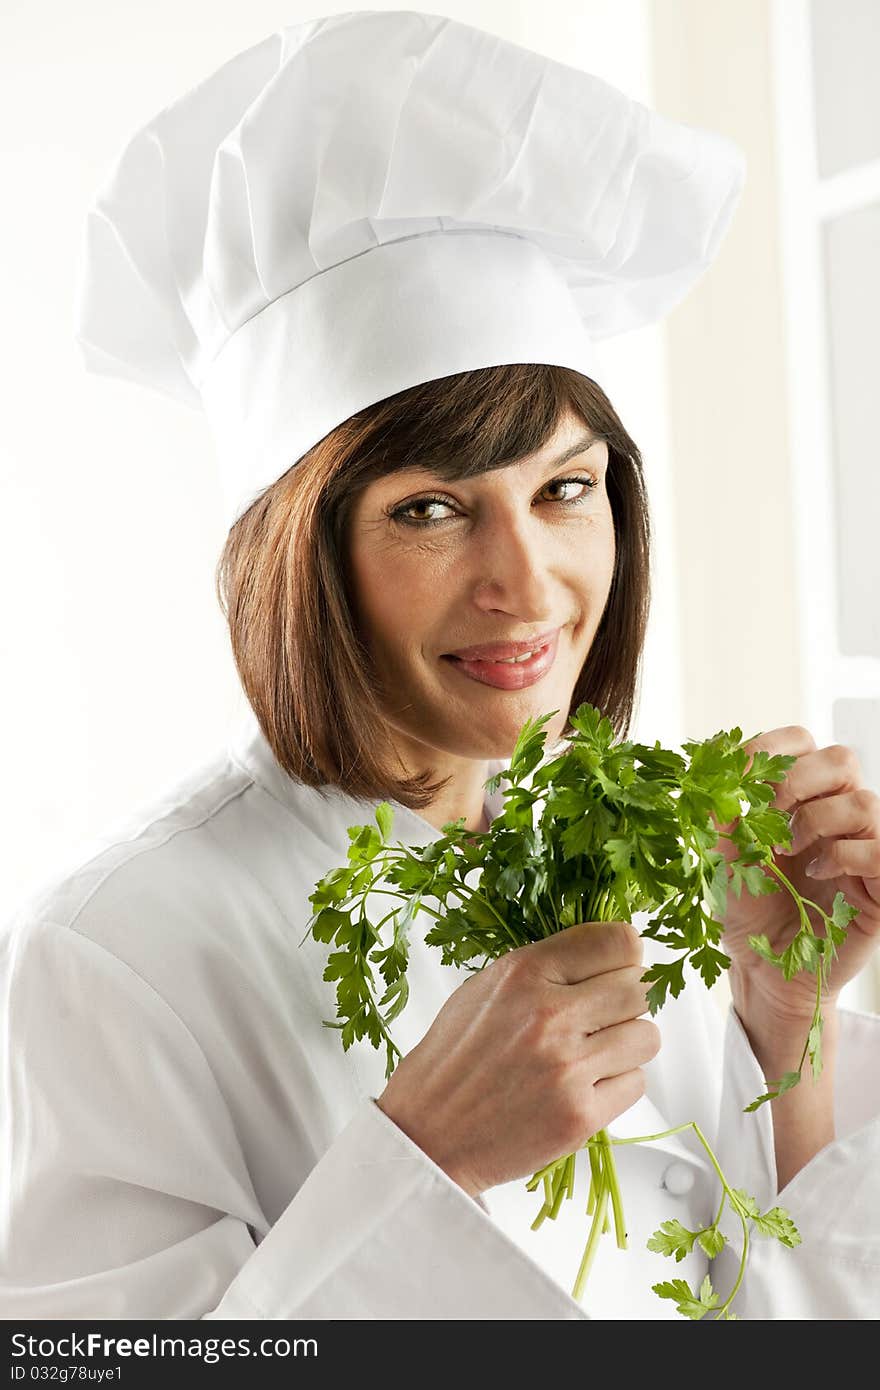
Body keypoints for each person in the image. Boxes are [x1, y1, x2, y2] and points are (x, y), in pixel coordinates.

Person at [3, 11, 880, 1321]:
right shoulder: (115, 948)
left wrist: (783, 1021)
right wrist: (421, 1157)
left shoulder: (639, 851)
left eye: (566, 488)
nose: (530, 584)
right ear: (300, 553)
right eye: (430, 507)